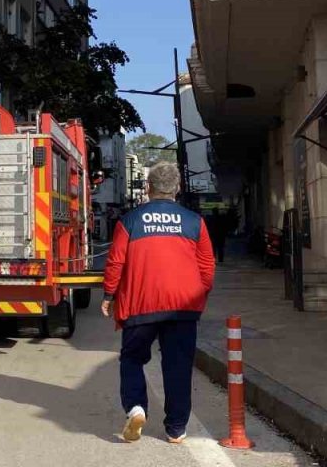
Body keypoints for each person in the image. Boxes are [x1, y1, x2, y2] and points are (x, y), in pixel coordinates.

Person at [102, 162, 216, 444]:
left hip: (141, 305)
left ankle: (136, 408)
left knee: (131, 358)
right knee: (178, 366)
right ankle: (176, 428)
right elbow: (207, 266)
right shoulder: (194, 222)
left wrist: (109, 295)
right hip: (183, 307)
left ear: (149, 188)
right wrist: (199, 293)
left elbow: (116, 261)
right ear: (177, 188)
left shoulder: (129, 220)